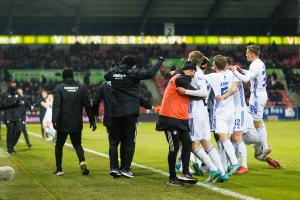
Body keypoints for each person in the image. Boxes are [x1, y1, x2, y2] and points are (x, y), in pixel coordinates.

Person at [104, 55, 164, 178]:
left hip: (115, 113)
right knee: (129, 142)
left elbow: (107, 75)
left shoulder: (113, 73)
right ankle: (126, 169)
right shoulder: (133, 73)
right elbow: (150, 73)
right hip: (130, 114)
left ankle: (114, 168)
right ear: (133, 65)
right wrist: (159, 61)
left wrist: (117, 68)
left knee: (114, 142)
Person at [177, 51, 228, 183]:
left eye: (188, 58)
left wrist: (185, 91)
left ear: (192, 60)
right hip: (203, 112)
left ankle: (213, 170)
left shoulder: (197, 74)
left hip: (195, 111)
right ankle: (222, 173)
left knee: (193, 145)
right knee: (207, 143)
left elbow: (203, 93)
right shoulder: (199, 73)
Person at [92, 80, 153, 173]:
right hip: (126, 118)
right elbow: (137, 97)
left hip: (111, 119)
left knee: (113, 144)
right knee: (127, 143)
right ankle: (125, 168)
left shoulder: (104, 85)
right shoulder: (126, 81)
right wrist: (149, 106)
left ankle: (113, 168)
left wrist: (96, 114)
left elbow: (96, 100)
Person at [156, 61, 198, 186]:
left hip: (179, 117)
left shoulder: (178, 77)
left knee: (187, 144)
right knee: (174, 147)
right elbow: (195, 94)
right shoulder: (180, 79)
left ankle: (185, 172)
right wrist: (200, 93)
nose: (193, 75)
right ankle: (172, 177)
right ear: (187, 71)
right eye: (192, 72)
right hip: (170, 117)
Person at [52, 68, 96, 176]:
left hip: (63, 123)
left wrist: (54, 120)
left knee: (59, 145)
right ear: (73, 76)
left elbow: (57, 105)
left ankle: (59, 169)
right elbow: (87, 106)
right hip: (76, 122)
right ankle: (82, 161)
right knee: (77, 144)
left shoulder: (59, 88)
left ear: (63, 76)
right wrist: (92, 120)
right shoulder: (81, 88)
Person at [230, 45, 272, 156]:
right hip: (258, 95)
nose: (246, 54)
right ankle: (261, 145)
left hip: (258, 97)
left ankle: (264, 146)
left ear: (252, 54)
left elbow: (246, 79)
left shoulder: (255, 64)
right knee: (256, 121)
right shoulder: (258, 63)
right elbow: (250, 74)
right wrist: (241, 70)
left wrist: (235, 71)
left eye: (247, 52)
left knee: (257, 122)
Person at [205, 55, 240, 175]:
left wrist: (221, 97)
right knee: (227, 139)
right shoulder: (231, 74)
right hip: (232, 112)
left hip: (221, 112)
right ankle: (228, 165)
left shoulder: (212, 76)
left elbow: (197, 77)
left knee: (222, 137)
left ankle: (234, 162)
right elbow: (235, 89)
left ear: (214, 65)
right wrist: (225, 96)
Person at [1, 81, 22, 154]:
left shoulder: (17, 93)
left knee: (19, 130)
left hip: (16, 116)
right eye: (12, 86)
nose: (14, 87)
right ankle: (9, 148)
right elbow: (2, 105)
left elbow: (20, 101)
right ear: (9, 86)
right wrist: (12, 103)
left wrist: (19, 102)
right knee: (10, 132)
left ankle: (12, 145)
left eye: (15, 86)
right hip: (8, 116)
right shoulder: (4, 95)